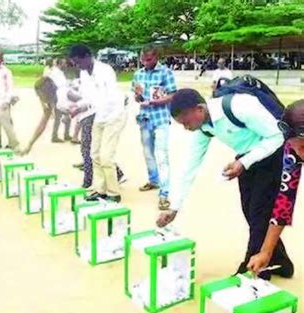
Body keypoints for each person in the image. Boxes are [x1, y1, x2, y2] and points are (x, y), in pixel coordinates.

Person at [156, 88, 291, 280]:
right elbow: (189, 167)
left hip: (273, 154)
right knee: (251, 212)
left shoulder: (240, 106)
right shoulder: (204, 127)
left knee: (258, 212)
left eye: (186, 123)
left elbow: (278, 136)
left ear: (200, 109)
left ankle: (252, 272)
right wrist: (174, 207)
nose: (186, 128)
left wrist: (243, 162)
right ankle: (281, 262)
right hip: (247, 158)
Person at [247, 100, 303, 277]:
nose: (301, 154)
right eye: (297, 148)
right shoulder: (292, 150)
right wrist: (266, 252)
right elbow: (284, 202)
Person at [69, 44, 126, 203]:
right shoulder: (84, 74)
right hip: (99, 116)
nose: (77, 66)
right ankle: (100, 190)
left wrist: (89, 106)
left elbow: (109, 98)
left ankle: (114, 193)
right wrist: (78, 108)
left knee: (106, 156)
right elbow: (88, 98)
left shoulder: (105, 70)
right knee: (94, 154)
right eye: (74, 63)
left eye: (78, 62)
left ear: (87, 56)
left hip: (114, 116)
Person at [132, 45, 177, 210]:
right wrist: (138, 97)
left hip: (161, 119)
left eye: (149, 59)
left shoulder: (165, 73)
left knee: (161, 155)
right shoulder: (138, 74)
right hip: (144, 118)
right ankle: (153, 180)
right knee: (148, 153)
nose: (145, 62)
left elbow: (173, 94)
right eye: (143, 59)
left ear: (157, 57)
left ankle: (164, 193)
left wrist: (156, 101)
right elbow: (136, 95)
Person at [48, 58, 71, 143]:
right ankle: (55, 136)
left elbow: (62, 83)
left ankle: (66, 135)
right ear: (59, 64)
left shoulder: (59, 72)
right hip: (58, 97)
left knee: (67, 115)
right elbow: (54, 85)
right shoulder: (55, 73)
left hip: (62, 97)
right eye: (64, 63)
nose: (65, 65)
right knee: (58, 117)